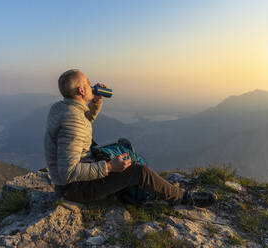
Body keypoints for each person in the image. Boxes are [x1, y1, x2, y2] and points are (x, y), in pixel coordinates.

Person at [44, 69, 217, 207]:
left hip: (77, 175)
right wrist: (110, 167)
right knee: (139, 171)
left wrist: (95, 102)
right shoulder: (73, 122)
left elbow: (83, 121)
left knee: (121, 145)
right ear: (81, 90)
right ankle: (184, 198)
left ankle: (127, 187)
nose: (91, 83)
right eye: (87, 82)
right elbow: (67, 173)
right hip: (74, 189)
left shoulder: (62, 108)